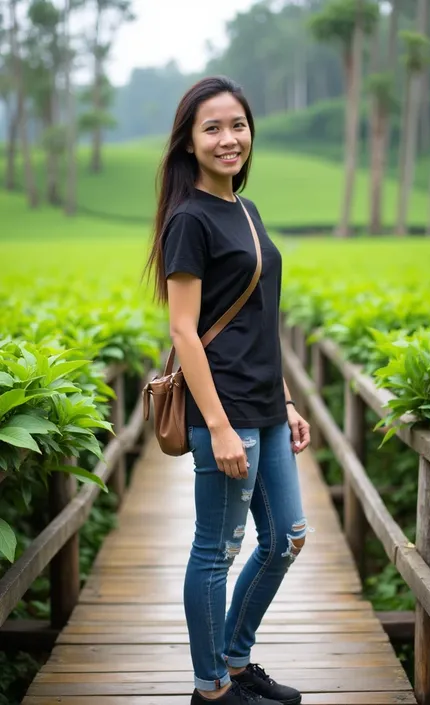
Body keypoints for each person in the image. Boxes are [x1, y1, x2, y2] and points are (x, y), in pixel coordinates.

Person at [145, 76, 311, 705]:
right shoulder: (188, 219)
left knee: (287, 537)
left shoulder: (246, 208)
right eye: (211, 128)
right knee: (216, 551)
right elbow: (185, 332)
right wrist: (215, 426)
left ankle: (236, 662)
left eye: (237, 125)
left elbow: (259, 319)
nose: (228, 138)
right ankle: (210, 688)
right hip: (224, 408)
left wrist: (288, 399)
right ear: (188, 143)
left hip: (266, 404)